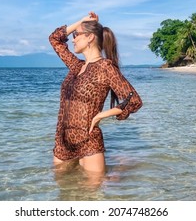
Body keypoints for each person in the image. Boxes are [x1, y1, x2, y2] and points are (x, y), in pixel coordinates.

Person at [49, 11, 143, 177]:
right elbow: (55, 39)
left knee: (93, 196)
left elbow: (133, 100)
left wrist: (101, 116)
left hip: (88, 143)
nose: (73, 39)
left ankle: (122, 169)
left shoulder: (105, 68)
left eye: (77, 35)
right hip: (63, 142)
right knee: (63, 192)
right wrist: (82, 20)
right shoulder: (76, 66)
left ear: (90, 37)